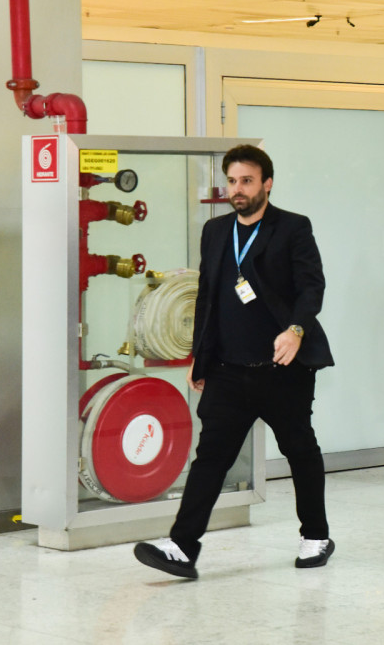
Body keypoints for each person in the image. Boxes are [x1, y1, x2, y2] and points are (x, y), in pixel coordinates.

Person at [134, 145, 335, 578]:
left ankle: (316, 535)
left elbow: (311, 287)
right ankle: (183, 548)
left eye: (246, 181)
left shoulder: (292, 228)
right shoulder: (216, 231)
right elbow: (208, 298)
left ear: (267, 183)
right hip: (228, 369)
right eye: (232, 181)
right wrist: (198, 357)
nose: (237, 190)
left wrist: (296, 330)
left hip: (282, 369)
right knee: (210, 458)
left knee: (300, 449)